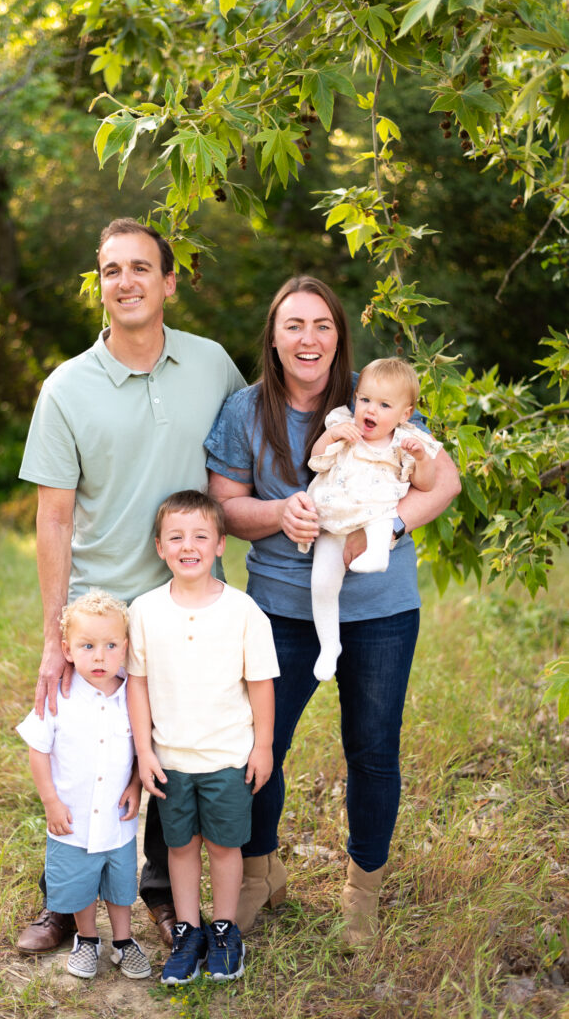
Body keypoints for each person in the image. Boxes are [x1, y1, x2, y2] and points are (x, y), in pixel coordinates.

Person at [205, 276, 460, 946]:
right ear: (274, 337)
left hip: (380, 611)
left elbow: (446, 479)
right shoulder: (244, 411)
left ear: (339, 337)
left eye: (322, 325)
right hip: (278, 609)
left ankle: (361, 892)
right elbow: (225, 506)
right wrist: (276, 512)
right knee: (256, 747)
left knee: (373, 752)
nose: (308, 338)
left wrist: (381, 533)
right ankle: (261, 875)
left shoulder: (373, 399)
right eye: (294, 325)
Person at [16, 218, 245, 954]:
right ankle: (64, 898)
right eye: (112, 270)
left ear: (169, 282)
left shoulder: (212, 365)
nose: (128, 281)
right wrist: (57, 638)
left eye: (142, 268)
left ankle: (149, 890)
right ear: (100, 286)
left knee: (169, 754)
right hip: (103, 615)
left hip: (186, 603)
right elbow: (52, 521)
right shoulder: (66, 388)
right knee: (89, 756)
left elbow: (250, 450)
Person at [126, 491, 278, 984]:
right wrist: (144, 750)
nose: (187, 545)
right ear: (159, 547)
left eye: (199, 536)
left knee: (225, 847)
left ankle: (225, 929)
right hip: (171, 759)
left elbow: (260, 683)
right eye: (176, 537)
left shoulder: (243, 611)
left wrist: (263, 746)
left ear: (219, 545)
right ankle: (188, 932)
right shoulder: (144, 611)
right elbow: (139, 684)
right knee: (180, 848)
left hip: (228, 757)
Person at [16, 590, 151, 981]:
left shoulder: (132, 694)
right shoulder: (59, 695)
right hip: (71, 818)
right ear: (67, 649)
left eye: (111, 646)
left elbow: (143, 745)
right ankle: (87, 939)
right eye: (87, 646)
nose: (99, 656)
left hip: (116, 820)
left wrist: (136, 784)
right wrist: (50, 802)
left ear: (125, 648)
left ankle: (124, 943)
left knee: (120, 884)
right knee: (79, 884)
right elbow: (38, 749)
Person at [300, 357, 442, 681]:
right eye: (364, 399)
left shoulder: (406, 441)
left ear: (405, 414)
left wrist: (420, 458)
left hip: (374, 518)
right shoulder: (343, 425)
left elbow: (426, 484)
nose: (370, 410)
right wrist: (334, 435)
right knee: (321, 583)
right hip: (333, 523)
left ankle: (377, 555)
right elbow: (315, 461)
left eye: (383, 404)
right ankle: (329, 645)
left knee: (383, 516)